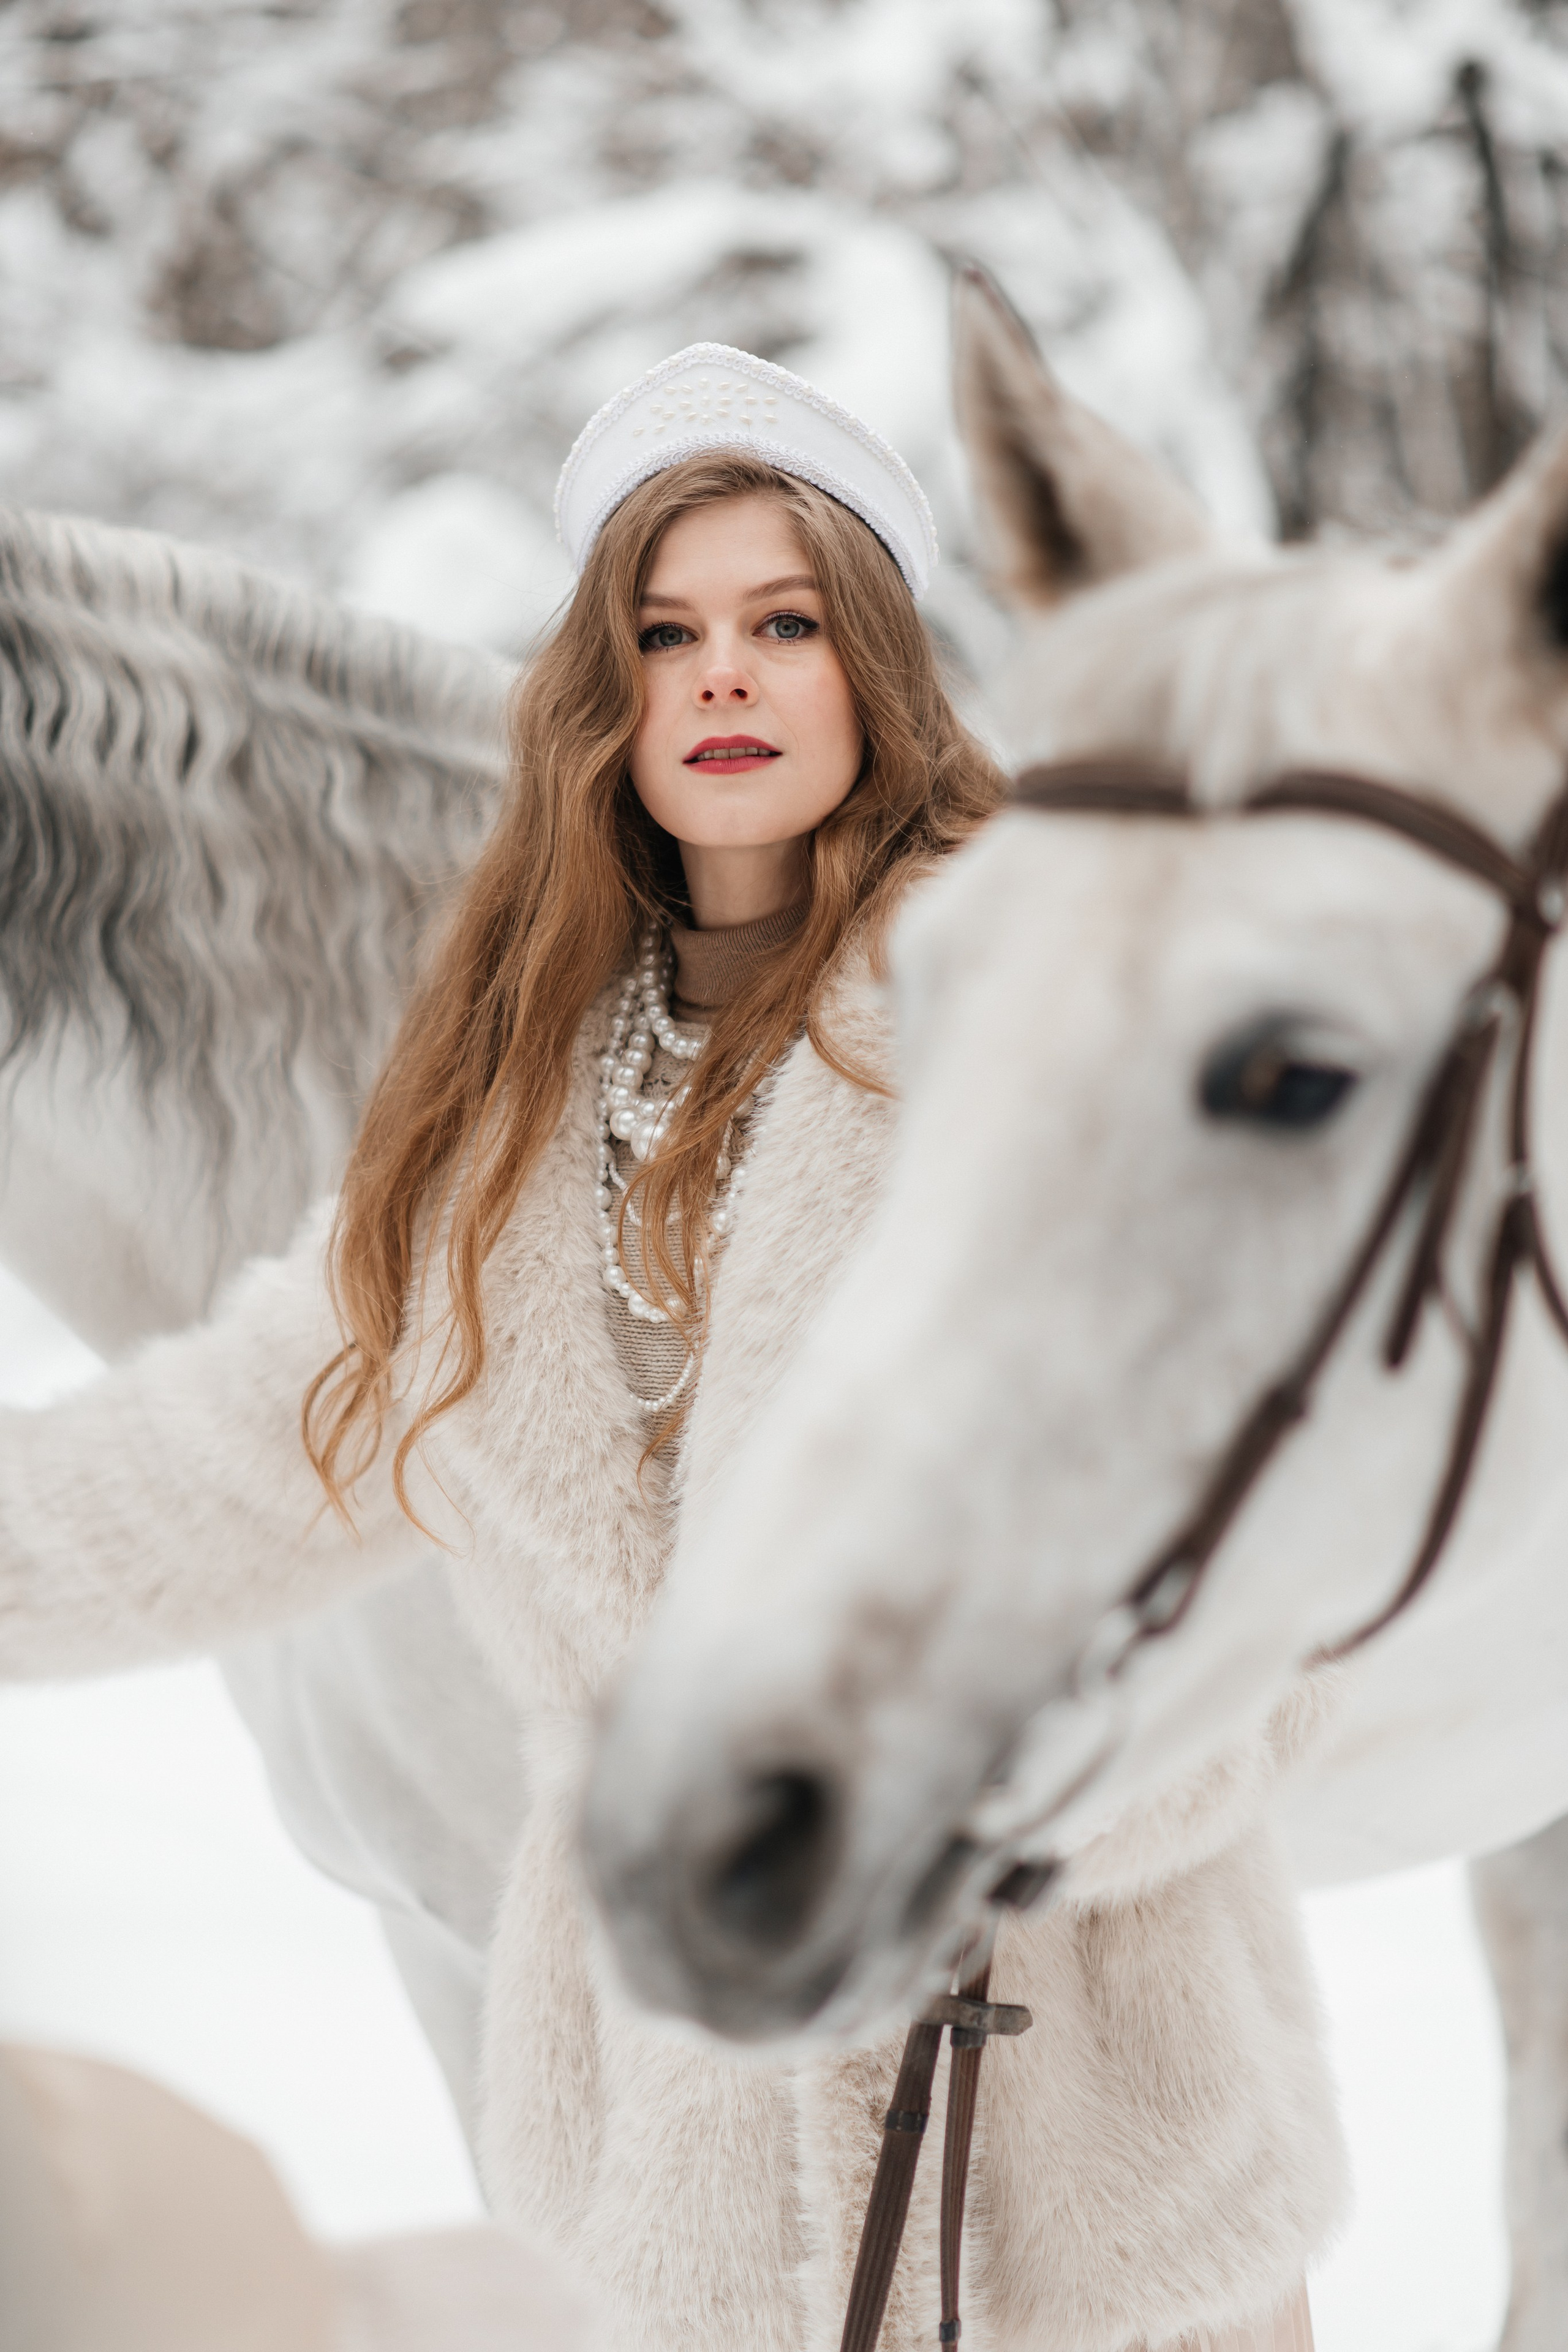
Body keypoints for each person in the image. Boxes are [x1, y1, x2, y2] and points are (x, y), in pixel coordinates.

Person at [0, 344, 1328, 2351]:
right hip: (680, 2202)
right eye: (664, 631)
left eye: (784, 625)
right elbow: (230, 1460)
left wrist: (947, 1816)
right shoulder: (503, 1114)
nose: (721, 677)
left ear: (877, 665)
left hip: (1077, 2175)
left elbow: (1272, 1595)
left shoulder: (1060, 1036)